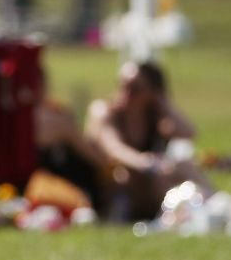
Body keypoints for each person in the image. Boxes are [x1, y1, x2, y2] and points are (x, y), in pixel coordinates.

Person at [86, 60, 212, 221]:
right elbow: (114, 150)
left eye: (135, 89)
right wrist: (148, 164)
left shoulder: (153, 117)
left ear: (151, 92)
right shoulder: (104, 112)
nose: (126, 93)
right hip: (108, 184)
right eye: (122, 85)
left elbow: (189, 132)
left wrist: (163, 103)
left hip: (144, 181)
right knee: (144, 176)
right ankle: (180, 216)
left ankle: (212, 204)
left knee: (183, 166)